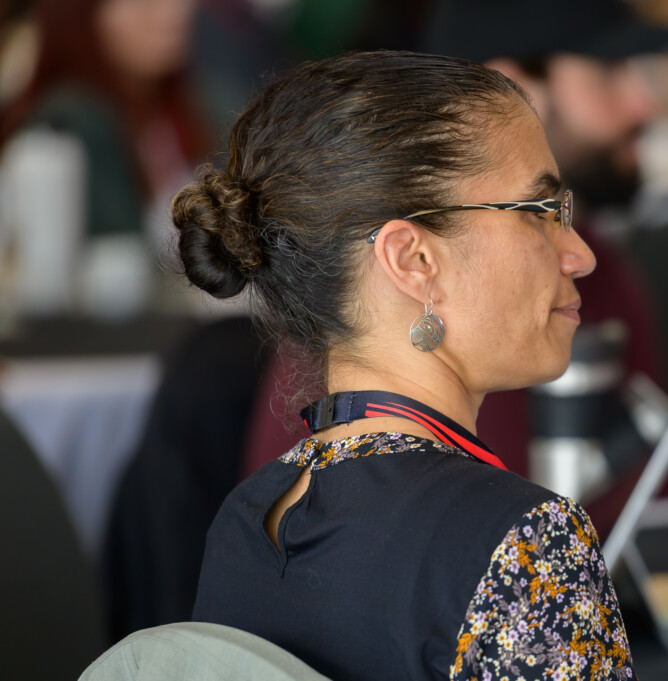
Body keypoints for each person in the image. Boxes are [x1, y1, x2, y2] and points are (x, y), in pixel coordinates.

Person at [176, 51, 636, 680]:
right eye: (537, 212)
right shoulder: (522, 543)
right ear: (414, 261)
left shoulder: (244, 520)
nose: (578, 253)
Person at [421, 0, 668, 478]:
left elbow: (661, 488)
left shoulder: (601, 267)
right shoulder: (410, 284)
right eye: (609, 71)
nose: (645, 103)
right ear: (512, 87)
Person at [0, 0, 209, 317]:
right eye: (143, 4)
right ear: (79, 15)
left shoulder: (180, 113)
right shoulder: (70, 121)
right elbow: (122, 267)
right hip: (95, 348)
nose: (172, 14)